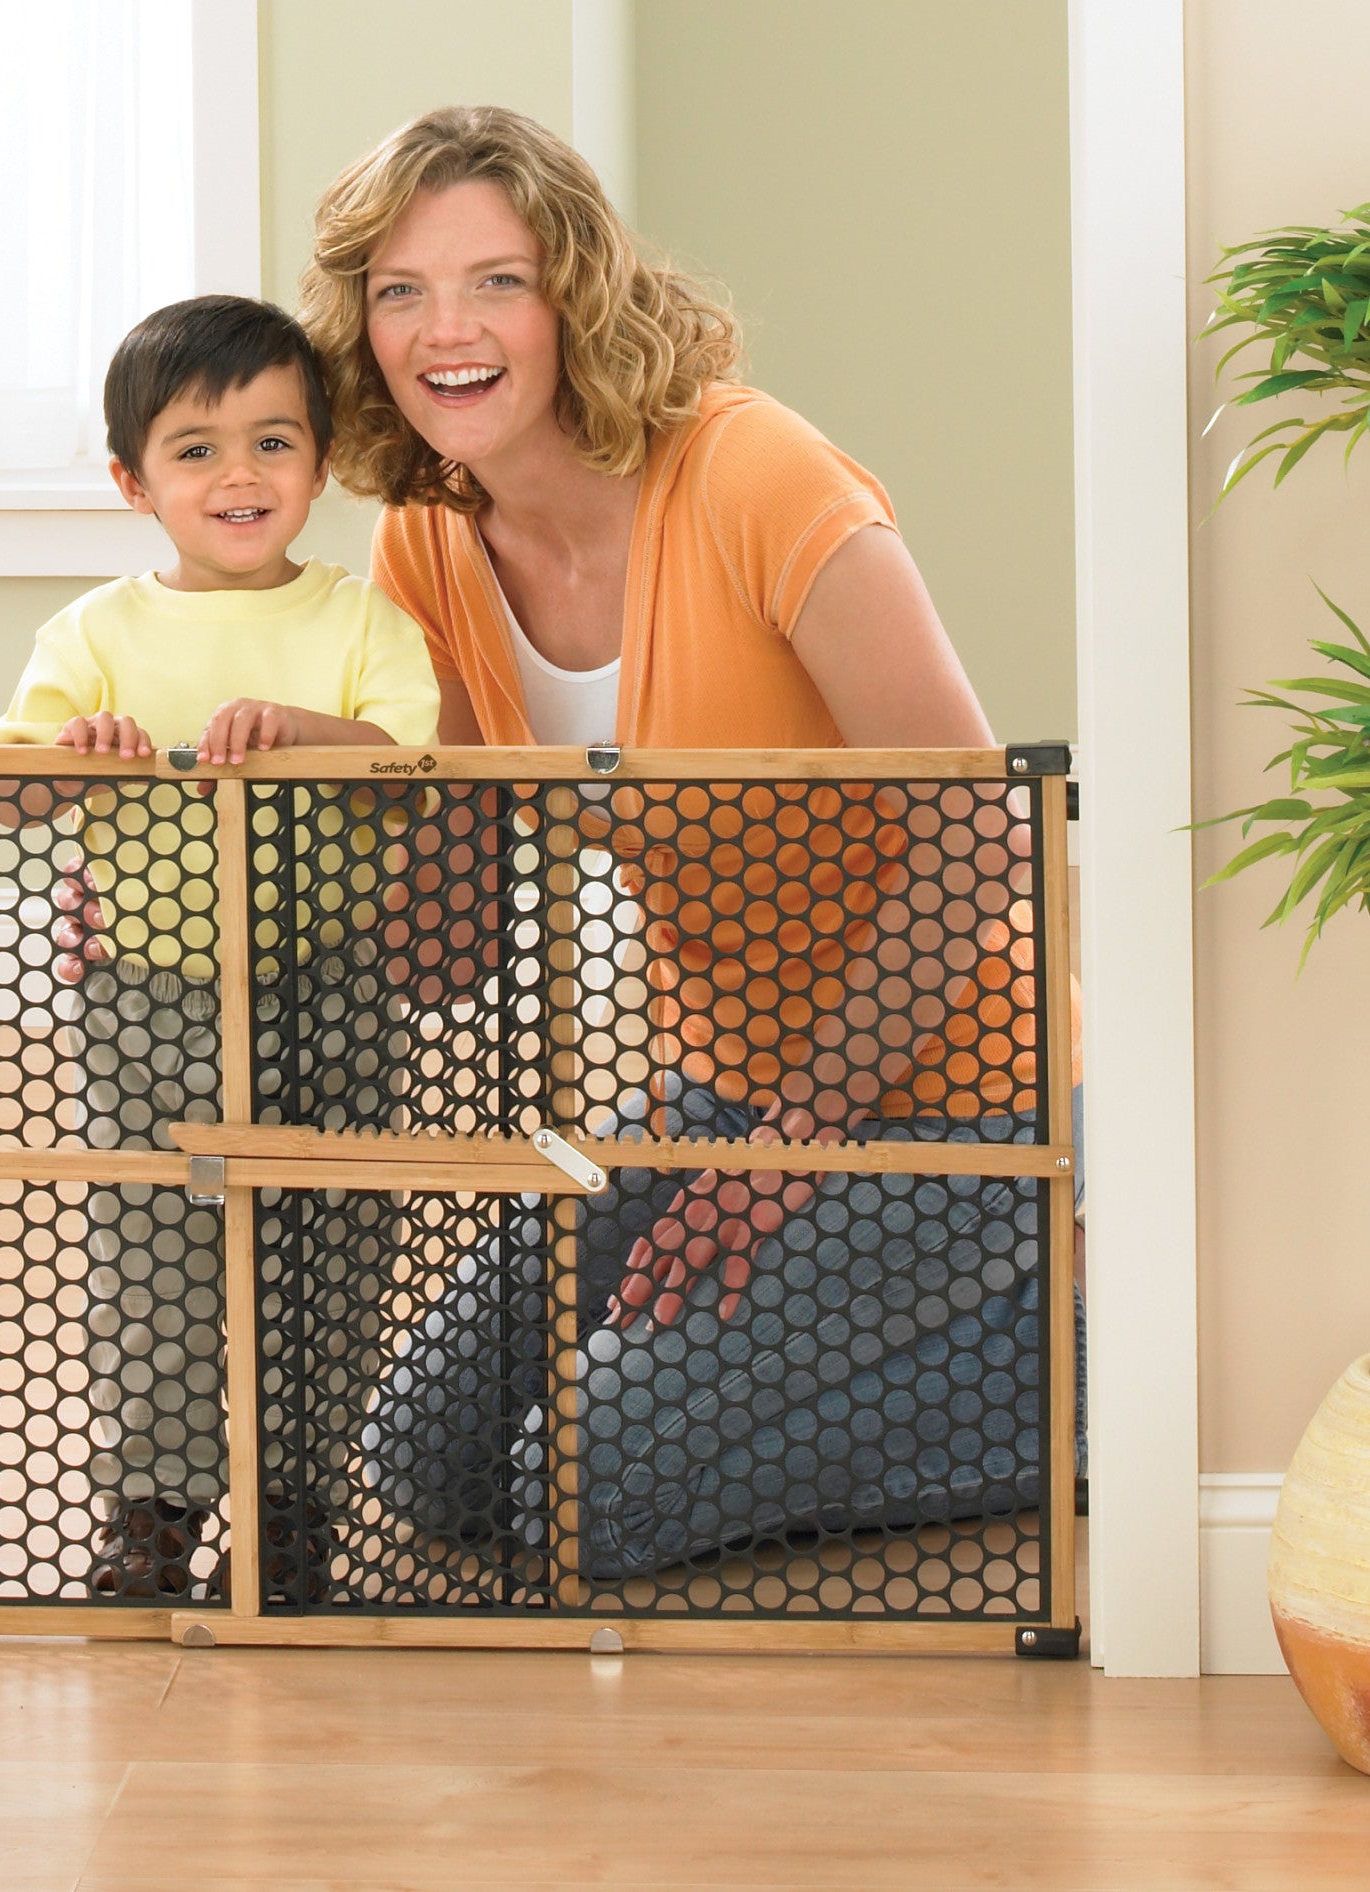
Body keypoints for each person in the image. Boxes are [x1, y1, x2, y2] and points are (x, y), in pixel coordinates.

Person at [294, 106, 1082, 1585]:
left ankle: (1069, 1368)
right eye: (401, 290)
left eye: (496, 283)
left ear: (577, 294)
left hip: (959, 1103)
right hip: (703, 1102)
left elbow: (987, 838)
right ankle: (935, 1334)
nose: (445, 331)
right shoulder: (422, 544)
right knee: (424, 1455)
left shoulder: (754, 474)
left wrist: (792, 1150)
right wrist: (211, 868)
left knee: (578, 1494)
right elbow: (446, 936)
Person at [0, 294, 439, 1596]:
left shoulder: (358, 624)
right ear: (134, 481)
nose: (239, 475)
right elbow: (4, 786)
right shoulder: (94, 635)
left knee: (329, 1260)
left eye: (273, 443)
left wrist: (304, 729)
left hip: (332, 990)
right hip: (150, 1003)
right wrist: (73, 758)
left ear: (323, 462)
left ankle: (297, 1513)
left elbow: (411, 767)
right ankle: (156, 1518)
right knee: (158, 1268)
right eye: (196, 449)